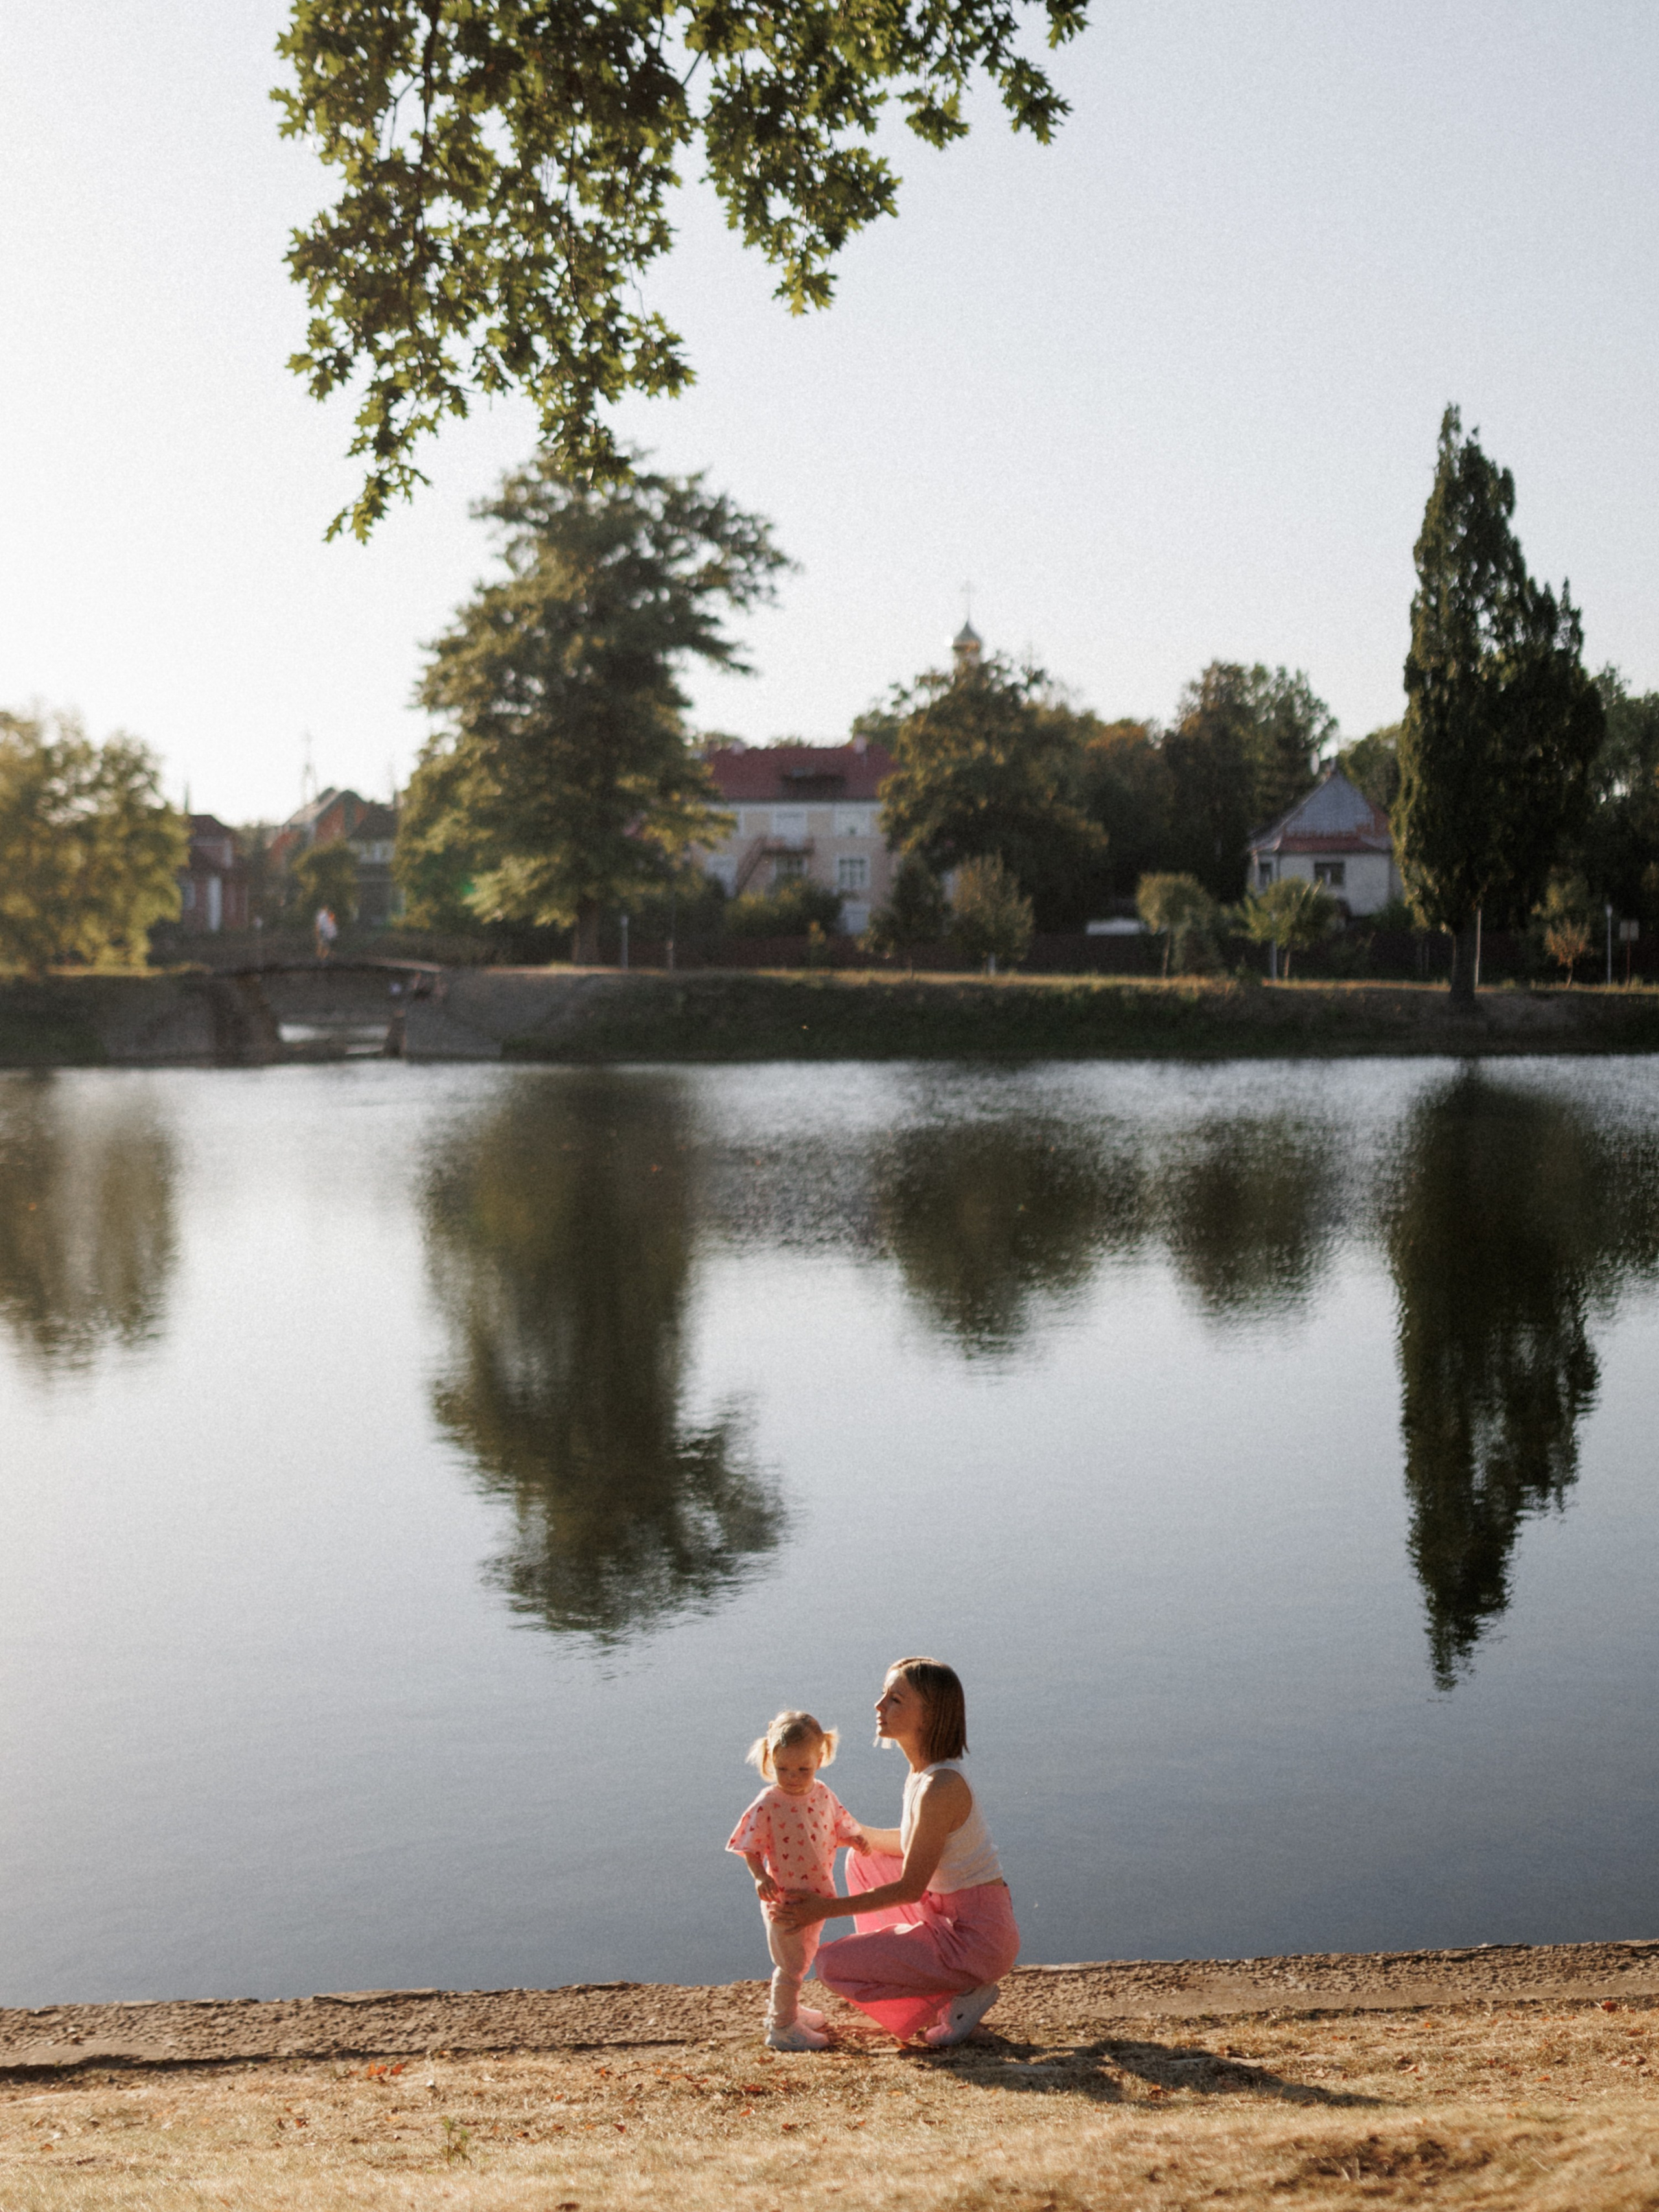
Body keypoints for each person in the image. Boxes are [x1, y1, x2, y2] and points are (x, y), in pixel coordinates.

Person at [776, 1656, 1018, 2047]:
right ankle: (944, 1988)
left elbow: (908, 1889)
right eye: (884, 1695)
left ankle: (956, 1996)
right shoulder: (925, 1773)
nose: (879, 1706)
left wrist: (820, 1909)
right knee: (863, 1856)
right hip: (954, 1921)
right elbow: (908, 1843)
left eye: (896, 1700)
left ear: (929, 1716)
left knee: (830, 1965)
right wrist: (843, 1833)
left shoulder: (941, 1787)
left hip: (975, 1943)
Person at [726, 1710, 866, 2052]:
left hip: (817, 1894)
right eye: (783, 1769)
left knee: (803, 1956)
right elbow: (751, 1847)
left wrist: (854, 1838)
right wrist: (760, 1877)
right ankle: (782, 2026)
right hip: (786, 1899)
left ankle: (790, 2007)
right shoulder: (769, 1803)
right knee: (789, 1964)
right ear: (770, 1761)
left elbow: (831, 1827)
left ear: (820, 1759)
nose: (792, 1777)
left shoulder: (821, 1793)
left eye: (802, 1769)